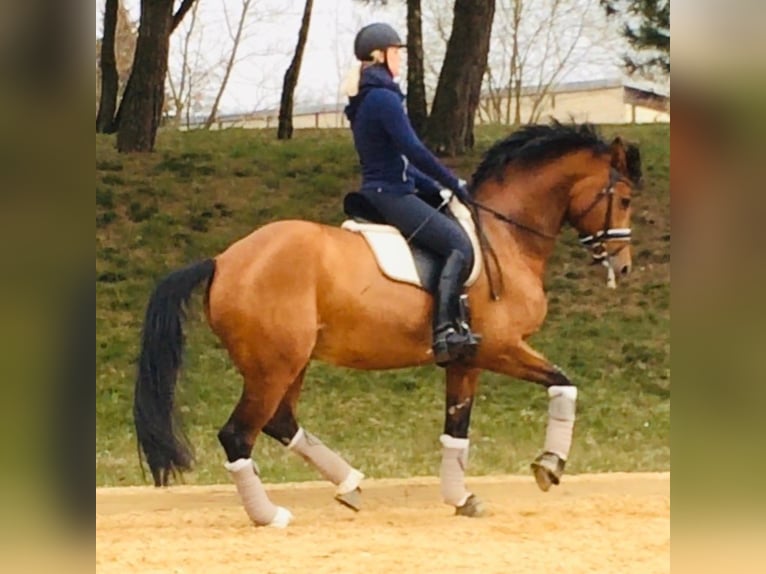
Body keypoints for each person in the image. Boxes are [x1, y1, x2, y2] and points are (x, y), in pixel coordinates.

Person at [343, 22, 480, 366]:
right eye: (396, 52)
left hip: (382, 188)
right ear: (380, 55)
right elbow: (414, 151)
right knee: (458, 245)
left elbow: (400, 162)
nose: (400, 59)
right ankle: (445, 332)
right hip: (390, 194)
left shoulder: (366, 98)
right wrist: (455, 183)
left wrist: (437, 189)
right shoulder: (384, 99)